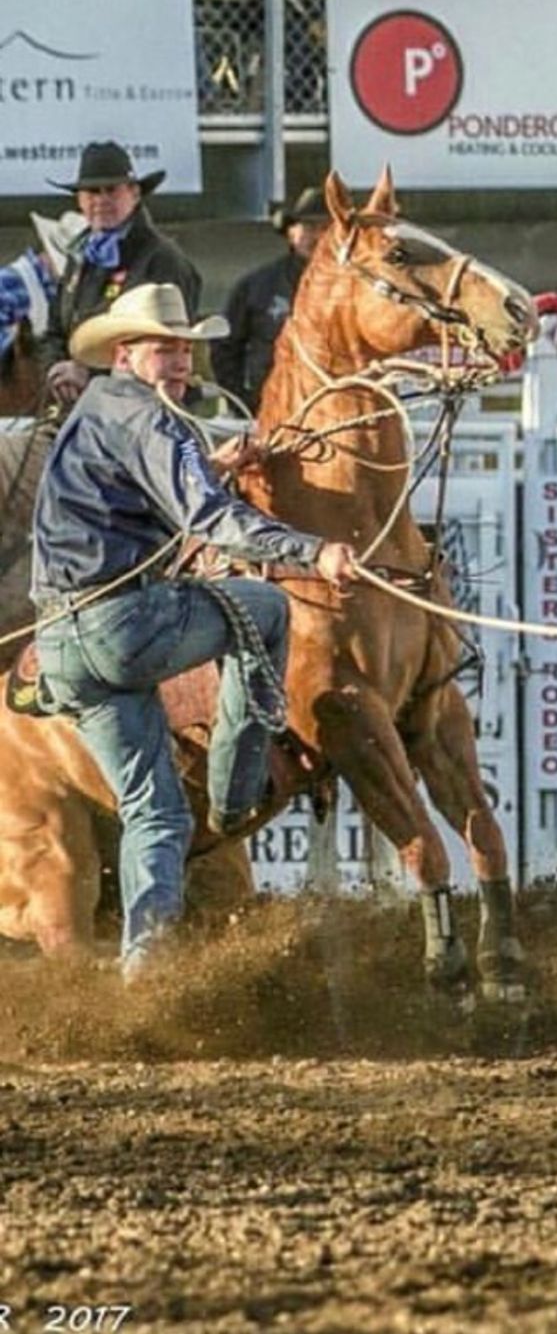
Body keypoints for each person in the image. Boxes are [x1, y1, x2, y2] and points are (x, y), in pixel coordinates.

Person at [30, 283, 357, 979]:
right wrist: (313, 551)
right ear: (126, 352)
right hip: (120, 624)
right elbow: (211, 522)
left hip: (61, 644)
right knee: (265, 610)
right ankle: (237, 793)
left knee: (157, 811)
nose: (179, 362)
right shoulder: (153, 418)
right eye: (164, 348)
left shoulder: (96, 406)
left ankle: (143, 973)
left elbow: (139, 491)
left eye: (184, 349)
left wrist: (209, 467)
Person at [38, 141, 202, 416]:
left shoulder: (163, 259)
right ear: (79, 199)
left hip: (146, 415)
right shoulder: (78, 257)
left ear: (134, 193)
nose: (101, 200)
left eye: (111, 190)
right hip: (81, 412)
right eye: (92, 191)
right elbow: (55, 330)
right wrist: (57, 370)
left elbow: (165, 347)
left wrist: (88, 373)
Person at [211, 187, 329, 413]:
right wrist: (243, 402)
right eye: (310, 227)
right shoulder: (256, 285)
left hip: (335, 413)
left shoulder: (355, 289)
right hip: (270, 410)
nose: (318, 237)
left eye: (327, 228)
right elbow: (224, 346)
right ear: (291, 232)